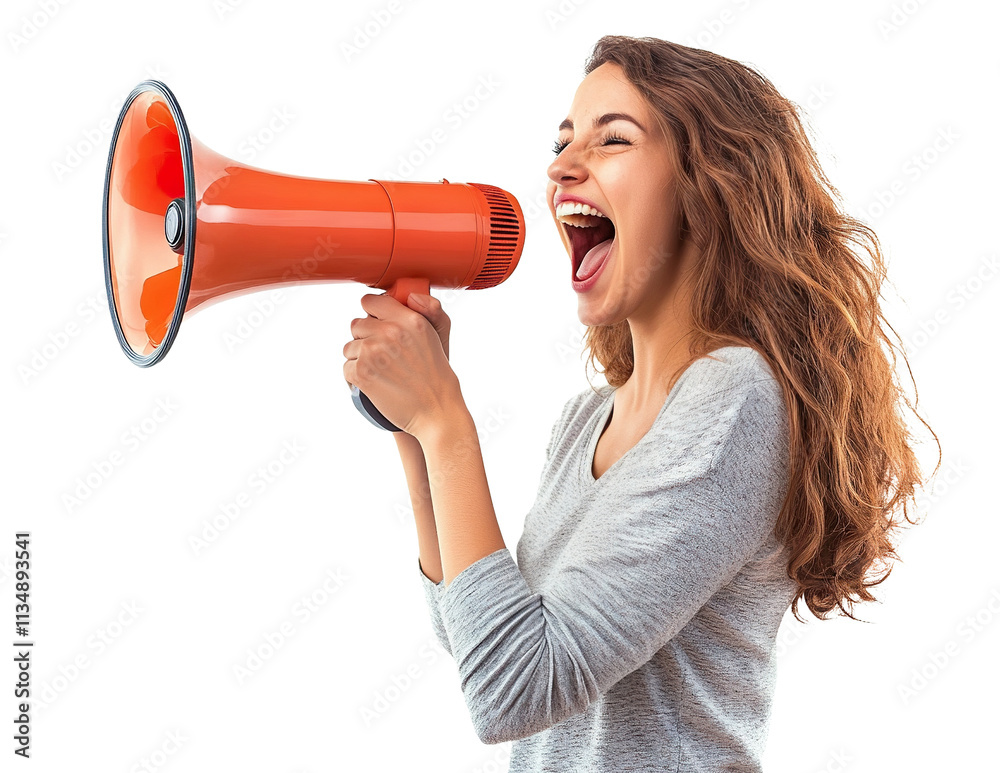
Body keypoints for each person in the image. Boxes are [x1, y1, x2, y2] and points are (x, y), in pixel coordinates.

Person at [342, 35, 941, 772]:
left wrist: (446, 418)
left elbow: (511, 688)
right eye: (562, 143)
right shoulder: (586, 422)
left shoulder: (733, 400)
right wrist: (413, 429)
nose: (561, 166)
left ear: (708, 182)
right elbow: (475, 635)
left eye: (612, 139)